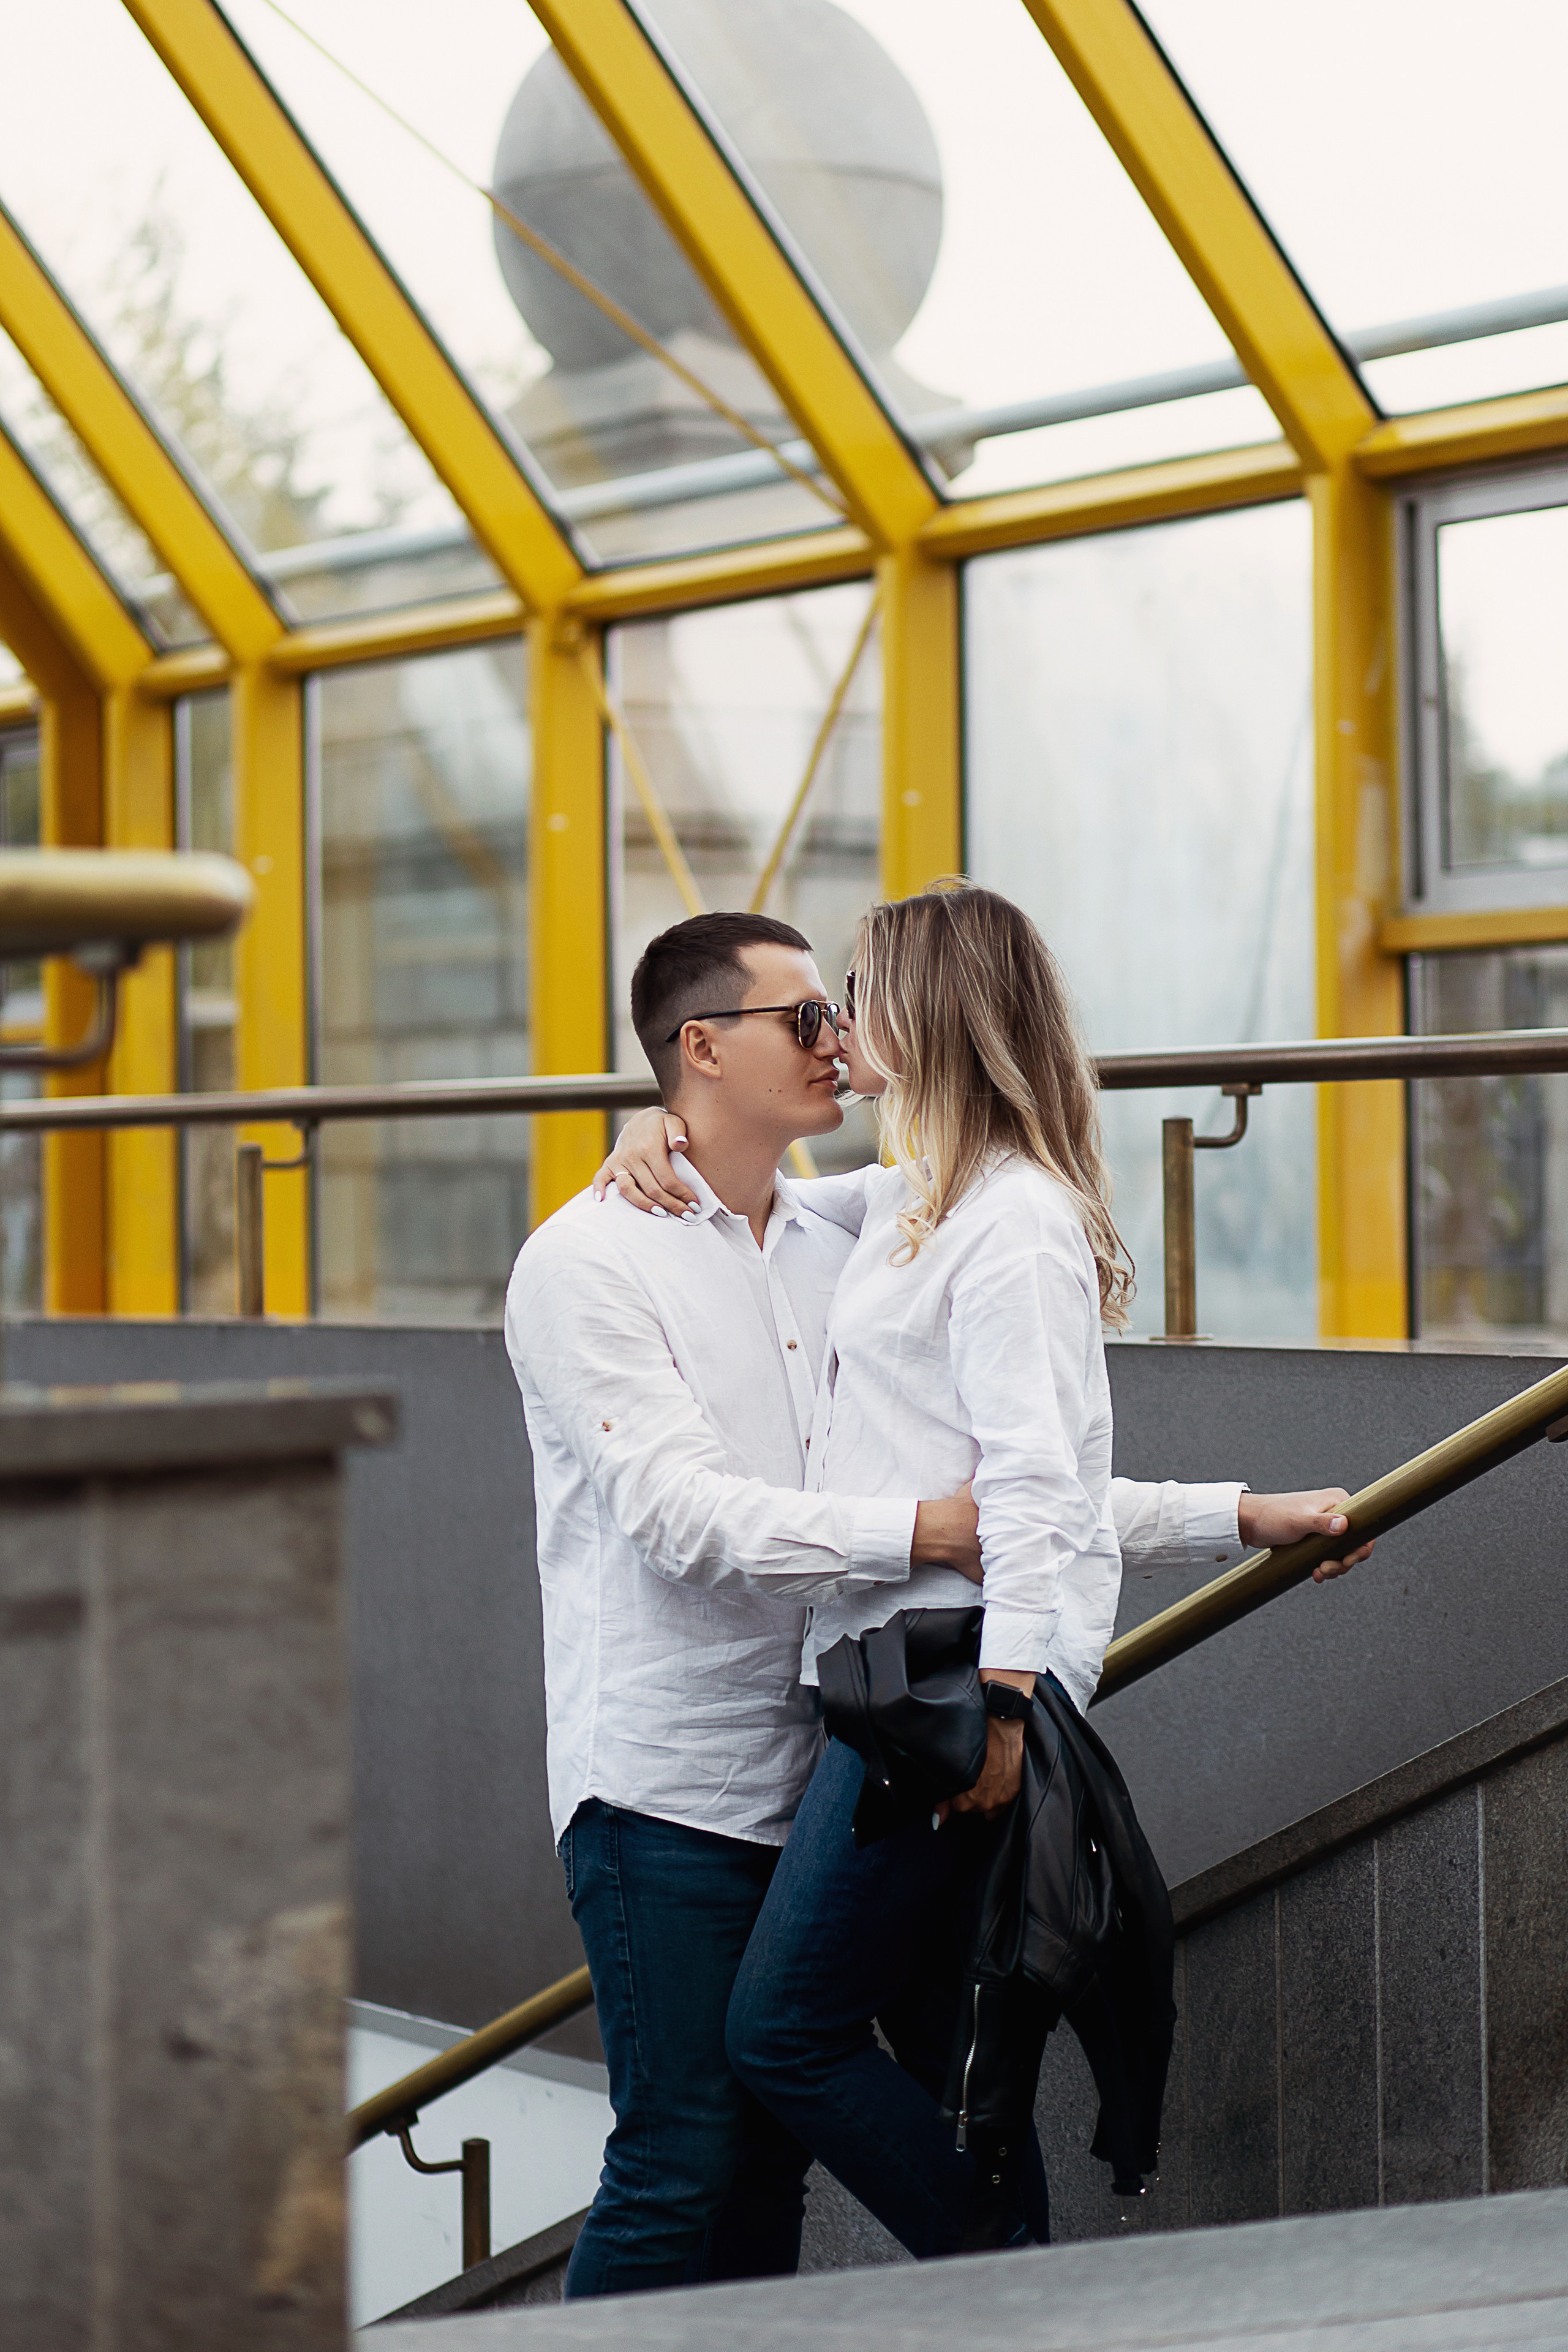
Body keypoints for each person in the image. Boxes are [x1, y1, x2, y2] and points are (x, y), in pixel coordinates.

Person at [595, 883, 1373, 2260]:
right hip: (903, 1677)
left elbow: (1023, 1491)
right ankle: (1011, 2294)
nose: (836, 1027)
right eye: (814, 1008)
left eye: (853, 996)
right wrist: (653, 1125)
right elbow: (758, 1196)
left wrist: (1008, 1704)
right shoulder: (916, 1200)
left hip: (949, 1688)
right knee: (950, 2060)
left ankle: (1012, 2286)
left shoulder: (1010, 1222)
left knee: (782, 2031)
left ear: (931, 1010)